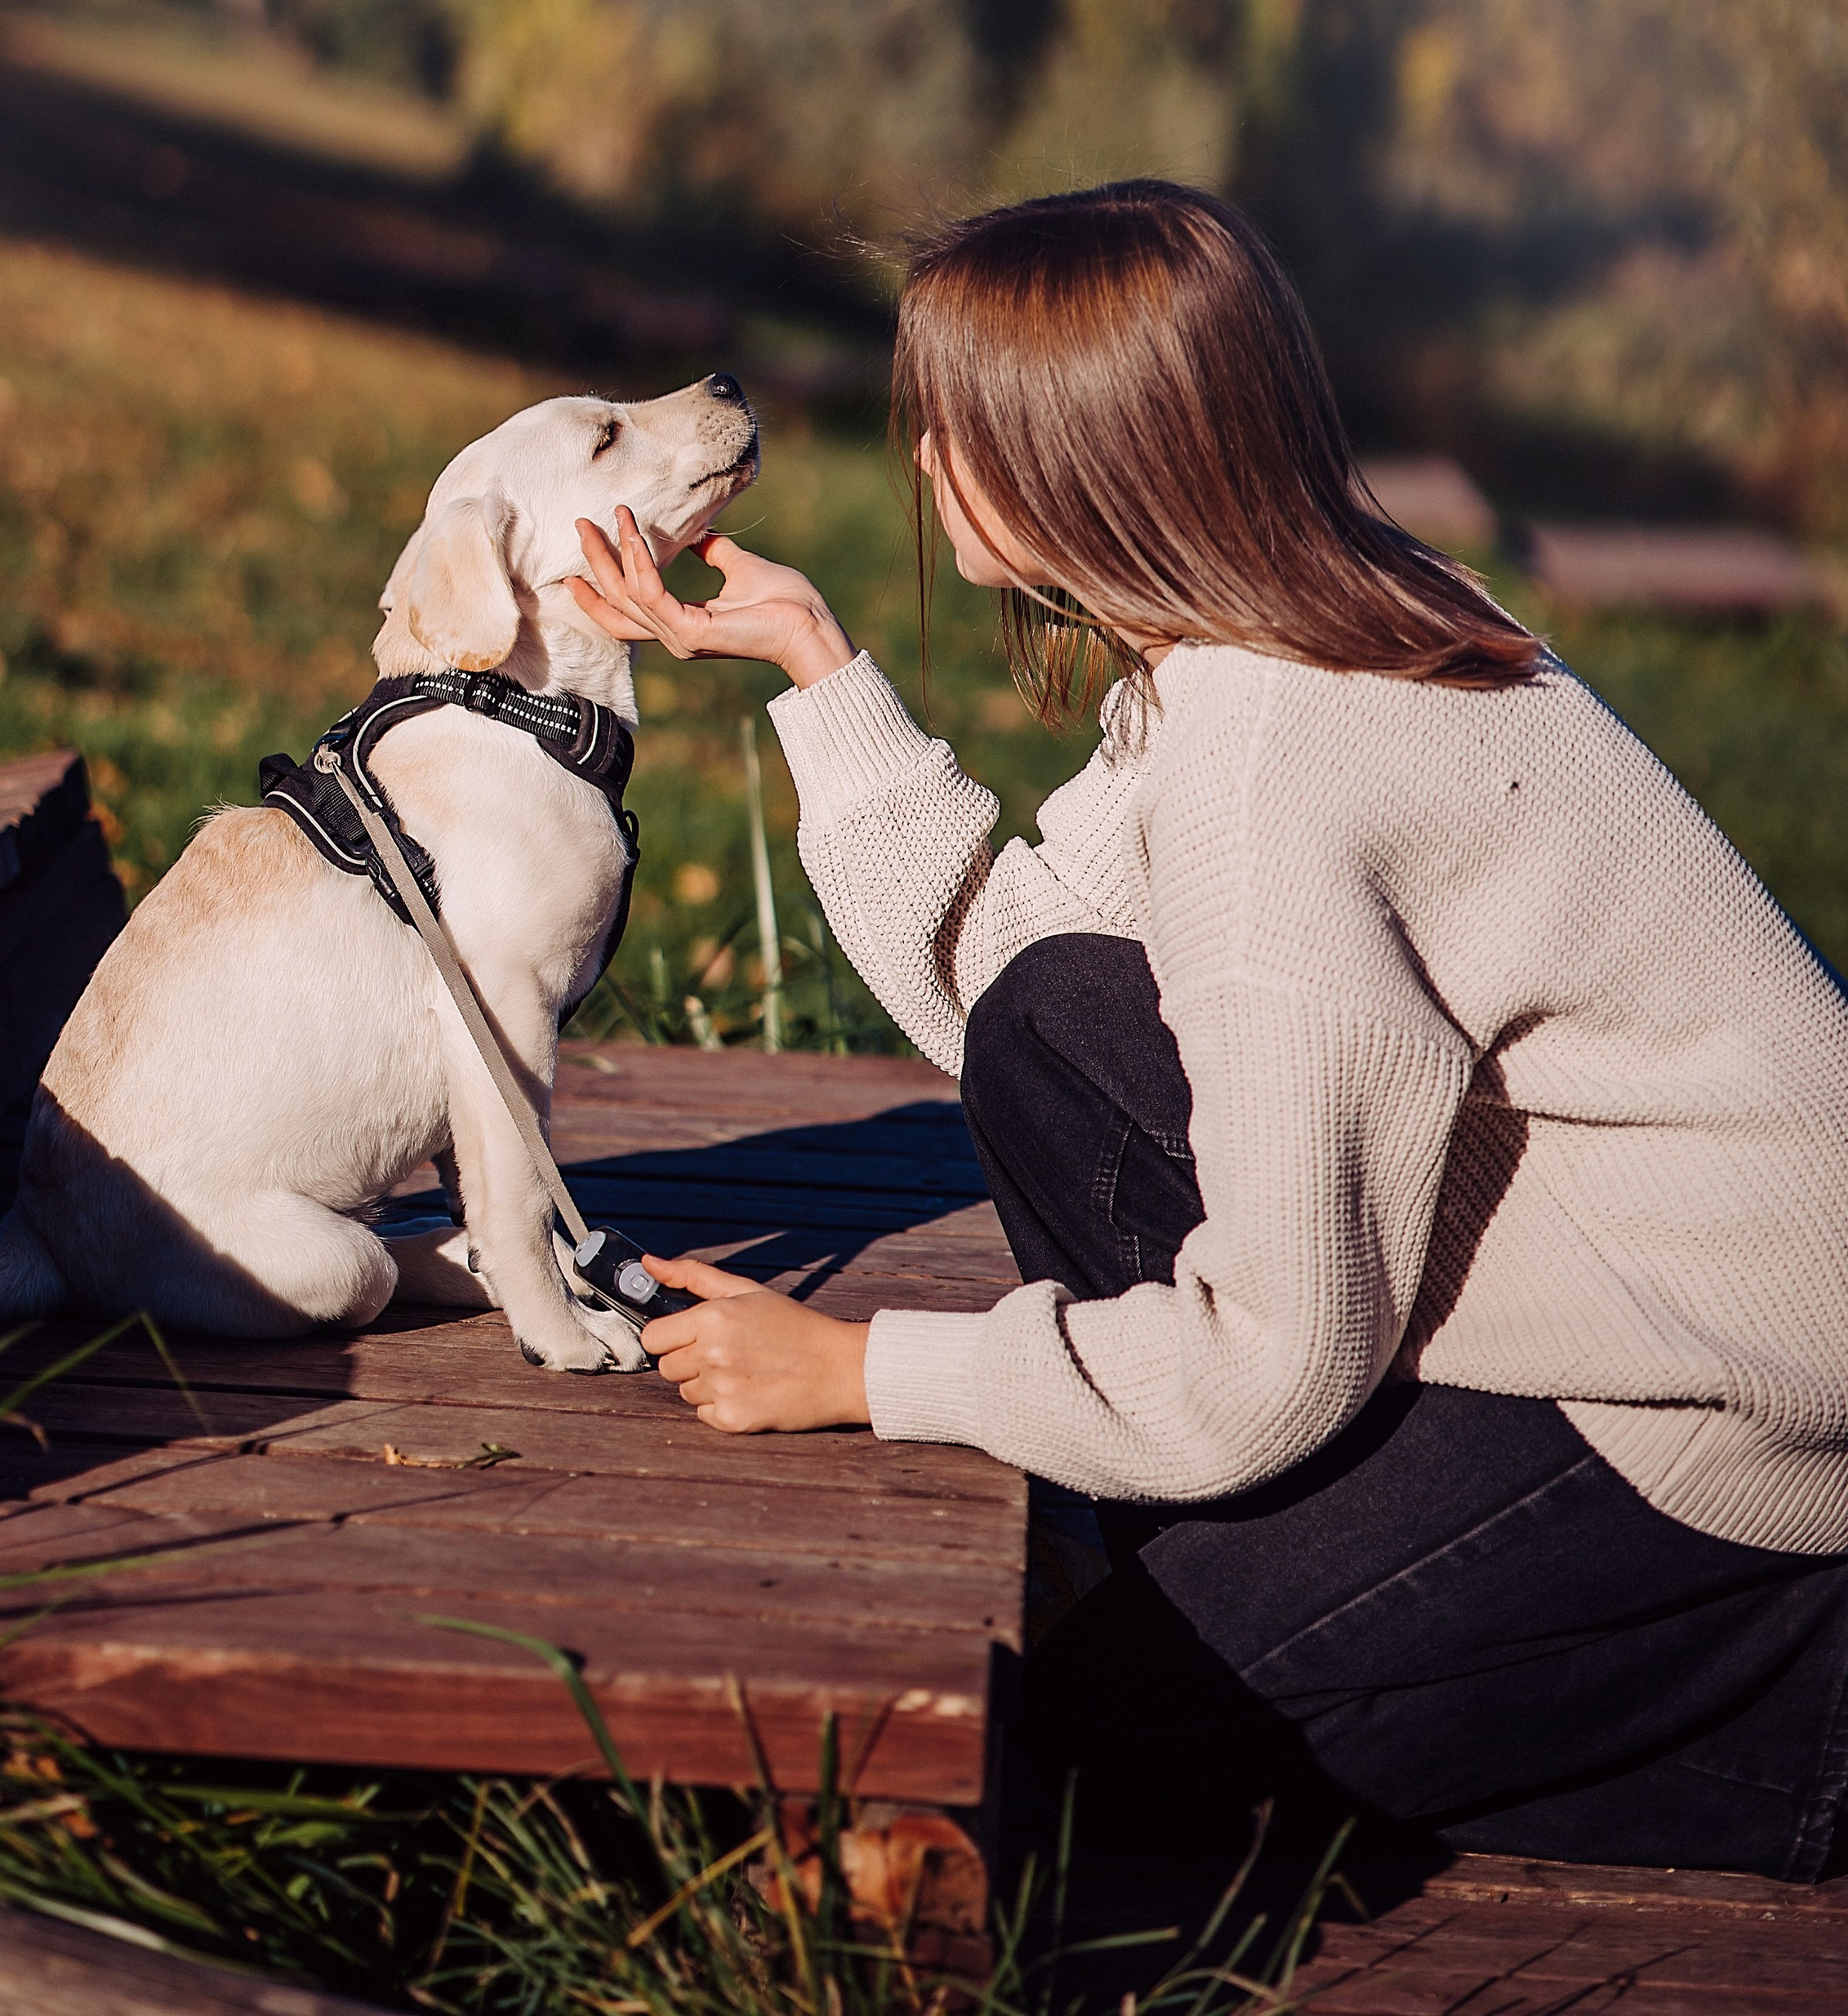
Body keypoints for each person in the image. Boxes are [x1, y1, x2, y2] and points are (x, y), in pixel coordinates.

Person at [567, 179, 1848, 1882]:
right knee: (1055, 1023)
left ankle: (1783, 1716)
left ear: (1063, 453)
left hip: (1718, 1425)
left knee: (1108, 1754)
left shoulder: (1270, 753)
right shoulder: (1291, 617)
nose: (924, 458)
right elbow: (1011, 982)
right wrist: (815, 667)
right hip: (1589, 1295)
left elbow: (1273, 1349)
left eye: (945, 423)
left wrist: (867, 1372)